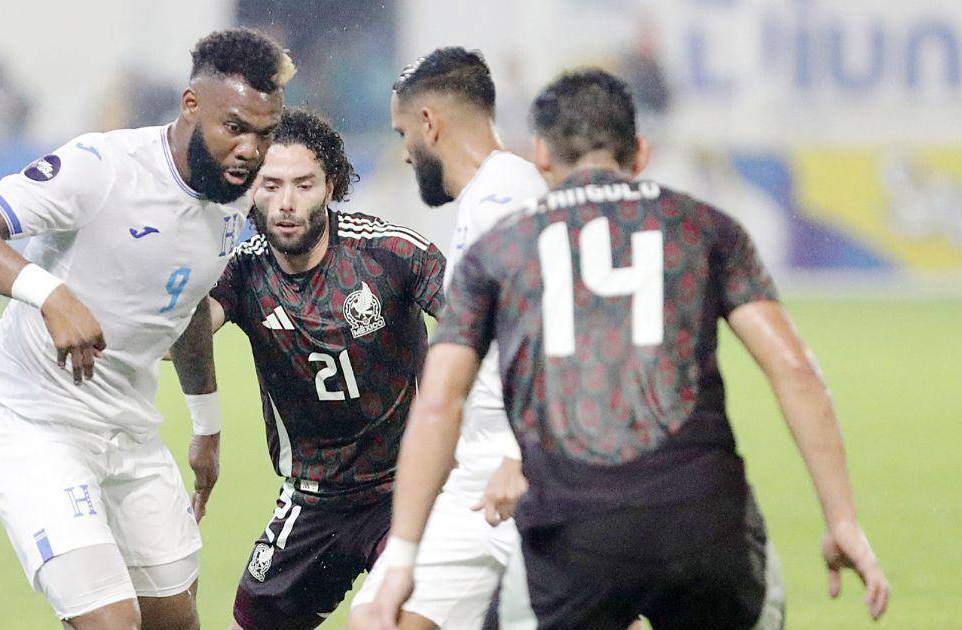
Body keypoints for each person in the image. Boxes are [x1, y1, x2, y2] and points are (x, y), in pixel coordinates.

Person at [368, 69, 890, 629]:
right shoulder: (707, 228)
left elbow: (440, 400)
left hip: (576, 529)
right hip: (706, 523)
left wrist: (402, 555)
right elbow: (794, 368)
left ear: (541, 154)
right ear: (641, 151)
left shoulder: (502, 248)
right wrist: (842, 521)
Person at [0, 28, 293, 629]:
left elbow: (186, 305)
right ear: (191, 105)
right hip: (31, 418)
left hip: (129, 429)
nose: (250, 151)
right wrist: (51, 296)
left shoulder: (234, 196)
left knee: (173, 621)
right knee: (111, 621)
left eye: (265, 133)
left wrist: (206, 426)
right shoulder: (102, 168)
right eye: (235, 128)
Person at [192, 107, 447, 629]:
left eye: (303, 185)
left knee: (394, 620)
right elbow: (176, 336)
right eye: (271, 185)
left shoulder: (390, 254)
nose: (286, 203)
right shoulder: (241, 272)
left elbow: (480, 320)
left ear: (330, 186)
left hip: (408, 490)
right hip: (312, 501)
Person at [349, 47, 547, 630]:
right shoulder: (486, 196)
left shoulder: (508, 198)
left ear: (430, 123)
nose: (405, 153)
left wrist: (522, 454)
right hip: (474, 480)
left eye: (403, 133)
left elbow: (557, 325)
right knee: (379, 619)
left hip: (531, 474)